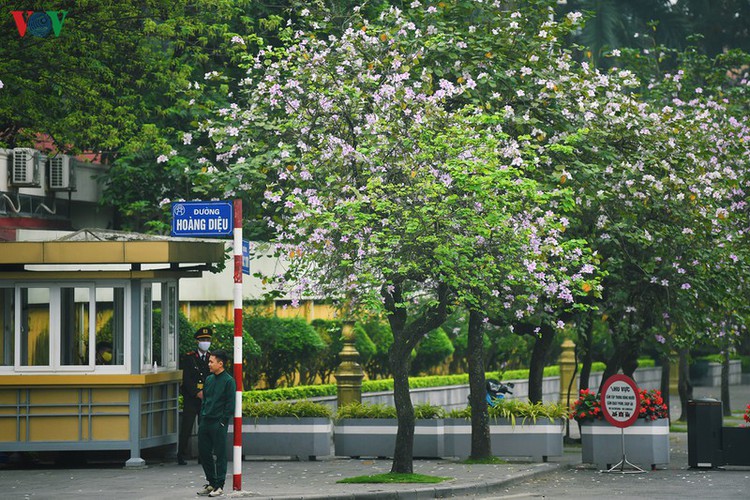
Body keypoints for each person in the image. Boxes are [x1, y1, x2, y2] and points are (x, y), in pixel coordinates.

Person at [196, 349, 235, 497]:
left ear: (221, 363)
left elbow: (230, 404)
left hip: (218, 423)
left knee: (220, 454)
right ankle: (211, 482)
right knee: (204, 453)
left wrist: (223, 422)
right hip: (205, 421)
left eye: (212, 362)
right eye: (209, 361)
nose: (209, 364)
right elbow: (205, 400)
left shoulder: (229, 381)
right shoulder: (209, 379)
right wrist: (203, 416)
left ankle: (220, 485)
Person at [178, 327, 212, 465]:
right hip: (191, 397)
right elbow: (187, 379)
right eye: (203, 340)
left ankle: (203, 455)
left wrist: (206, 393)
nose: (205, 342)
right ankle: (181, 454)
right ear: (197, 341)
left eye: (207, 340)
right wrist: (196, 392)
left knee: (204, 427)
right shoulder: (189, 357)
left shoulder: (212, 358)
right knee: (187, 426)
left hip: (206, 398)